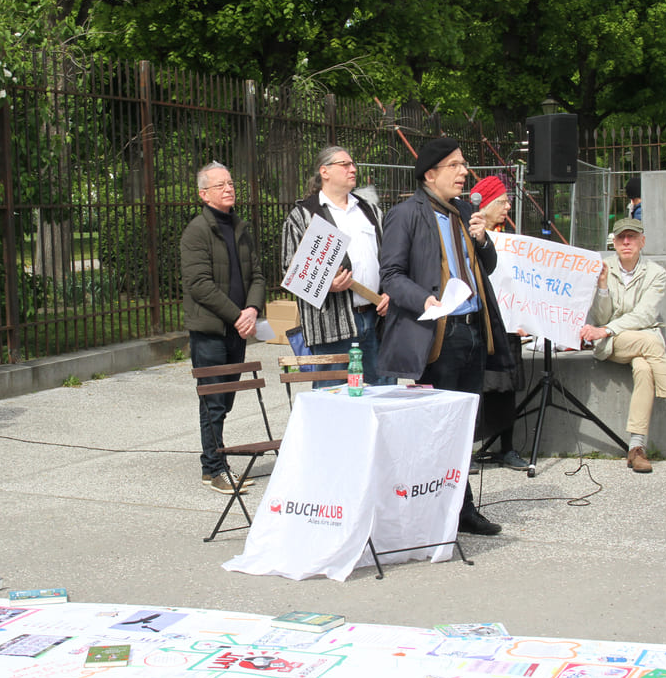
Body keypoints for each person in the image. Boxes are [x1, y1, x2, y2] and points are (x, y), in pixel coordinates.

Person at [379, 137, 512, 536]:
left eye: (464, 164)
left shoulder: (466, 212)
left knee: (462, 427)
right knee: (436, 427)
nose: (463, 172)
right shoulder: (406, 214)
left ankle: (461, 507)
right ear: (430, 174)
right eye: (454, 165)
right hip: (438, 334)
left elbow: (486, 266)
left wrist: (482, 238)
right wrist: (428, 300)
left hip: (473, 330)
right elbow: (391, 276)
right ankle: (434, 509)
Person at [579, 217, 666, 474]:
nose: (626, 242)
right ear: (613, 242)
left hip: (635, 339)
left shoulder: (657, 272)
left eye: (632, 237)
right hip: (615, 341)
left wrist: (608, 327)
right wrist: (602, 286)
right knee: (649, 341)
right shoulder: (603, 268)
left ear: (642, 241)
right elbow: (601, 319)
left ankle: (636, 448)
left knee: (645, 370)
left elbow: (645, 315)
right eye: (621, 237)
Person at [181, 161, 266, 494]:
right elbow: (198, 283)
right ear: (204, 194)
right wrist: (237, 314)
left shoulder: (240, 229)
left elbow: (257, 275)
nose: (229, 189)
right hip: (211, 331)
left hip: (237, 329)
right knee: (213, 400)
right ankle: (213, 468)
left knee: (226, 399)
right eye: (220, 185)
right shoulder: (197, 231)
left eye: (231, 183)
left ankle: (216, 461)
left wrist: (253, 309)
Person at [281, 146, 390, 387]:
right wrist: (326, 285)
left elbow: (390, 259)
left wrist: (391, 290)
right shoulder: (303, 216)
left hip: (376, 319)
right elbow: (290, 272)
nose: (353, 169)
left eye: (353, 164)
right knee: (334, 402)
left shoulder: (369, 210)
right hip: (332, 325)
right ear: (325, 172)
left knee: (381, 397)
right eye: (345, 164)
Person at [469, 175, 530, 472]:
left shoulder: (511, 240)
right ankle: (465, 451)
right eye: (503, 200)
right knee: (472, 387)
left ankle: (507, 447)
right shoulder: (469, 234)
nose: (508, 206)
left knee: (507, 385)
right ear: (488, 203)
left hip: (508, 325)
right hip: (479, 322)